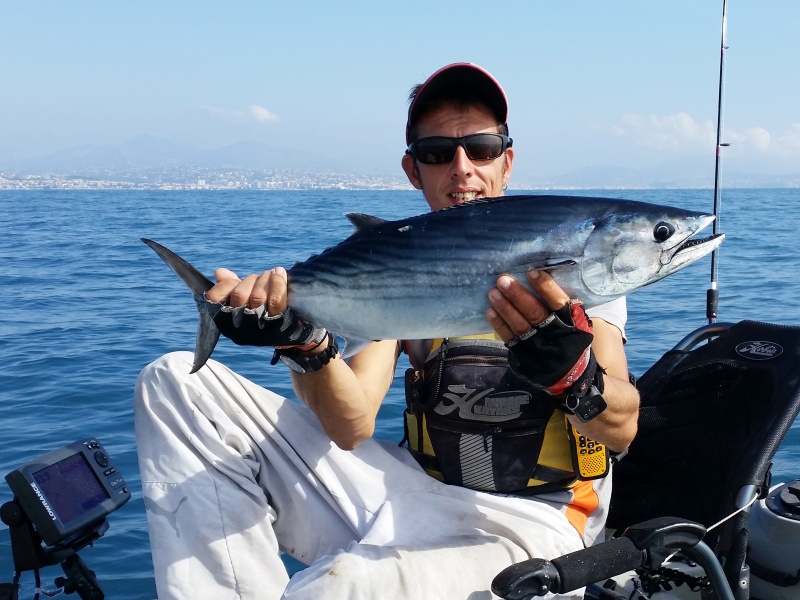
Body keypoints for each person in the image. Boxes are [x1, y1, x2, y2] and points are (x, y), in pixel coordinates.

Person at [134, 63, 640, 600]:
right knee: (174, 384)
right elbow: (351, 425)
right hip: (413, 493)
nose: (462, 168)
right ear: (412, 169)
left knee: (339, 590)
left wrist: (575, 376)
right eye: (437, 152)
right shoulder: (401, 269)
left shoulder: (575, 274)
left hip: (535, 527)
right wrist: (304, 341)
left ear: (507, 161)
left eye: (483, 148)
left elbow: (622, 430)